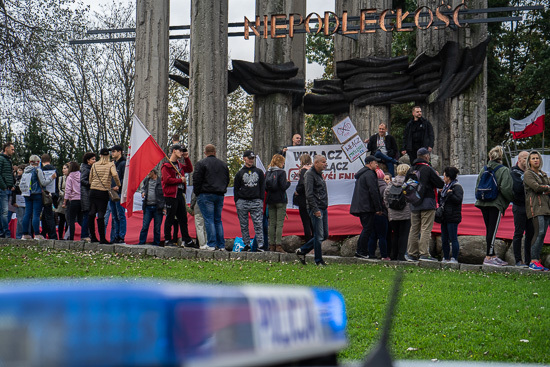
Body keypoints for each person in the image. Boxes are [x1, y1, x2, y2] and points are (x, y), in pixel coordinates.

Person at [475, 145, 513, 267]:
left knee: (489, 230)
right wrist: (511, 199)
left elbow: (477, 185)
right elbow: (506, 189)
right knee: (493, 230)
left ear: (490, 156)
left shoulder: (484, 169)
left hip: (483, 202)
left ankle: (492, 255)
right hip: (495, 203)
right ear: (500, 157)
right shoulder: (504, 170)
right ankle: (488, 256)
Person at [406, 147, 444, 262]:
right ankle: (424, 254)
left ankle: (411, 253)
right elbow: (440, 183)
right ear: (427, 157)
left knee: (414, 229)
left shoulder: (411, 169)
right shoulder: (428, 169)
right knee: (426, 228)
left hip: (413, 202)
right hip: (427, 202)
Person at [193, 144, 230, 251]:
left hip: (205, 194)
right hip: (219, 194)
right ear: (215, 152)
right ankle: (221, 245)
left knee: (209, 220)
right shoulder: (223, 165)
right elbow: (226, 179)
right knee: (218, 220)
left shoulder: (201, 164)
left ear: (205, 153)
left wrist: (198, 193)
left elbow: (196, 180)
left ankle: (211, 244)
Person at [295, 155, 329, 266]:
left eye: (326, 162)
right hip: (316, 208)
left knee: (324, 234)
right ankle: (318, 260)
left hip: (323, 207)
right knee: (319, 235)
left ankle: (302, 250)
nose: (325, 164)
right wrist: (315, 209)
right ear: (316, 163)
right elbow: (309, 194)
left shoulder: (320, 175)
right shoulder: (309, 174)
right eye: (323, 162)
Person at [161, 144, 196, 248]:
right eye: (180, 151)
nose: (181, 152)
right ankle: (167, 239)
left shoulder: (180, 166)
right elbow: (166, 180)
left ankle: (186, 239)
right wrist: (179, 180)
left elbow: (189, 169)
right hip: (171, 195)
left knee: (183, 218)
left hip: (180, 194)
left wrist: (186, 158)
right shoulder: (166, 165)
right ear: (174, 151)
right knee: (170, 218)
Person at [350, 156, 383, 259]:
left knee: (367, 229)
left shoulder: (362, 174)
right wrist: (378, 207)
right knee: (367, 229)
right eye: (375, 162)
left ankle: (363, 251)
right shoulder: (369, 174)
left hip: (361, 206)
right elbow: (373, 191)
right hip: (366, 206)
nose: (377, 164)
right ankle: (361, 251)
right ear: (369, 163)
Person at [522, 151, 550, 271]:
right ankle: (533, 260)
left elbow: (545, 185)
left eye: (537, 158)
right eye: (533, 158)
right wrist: (547, 188)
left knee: (543, 234)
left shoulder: (543, 174)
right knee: (539, 232)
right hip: (535, 207)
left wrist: (545, 187)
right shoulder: (528, 174)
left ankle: (537, 260)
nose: (535, 160)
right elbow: (536, 187)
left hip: (546, 208)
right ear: (529, 161)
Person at [233, 150, 265, 252]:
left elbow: (262, 186)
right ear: (244, 158)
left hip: (256, 201)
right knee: (244, 225)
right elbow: (236, 188)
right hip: (242, 201)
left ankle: (260, 245)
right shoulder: (239, 173)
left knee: (258, 224)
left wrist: (260, 199)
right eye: (249, 158)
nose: (251, 160)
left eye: (252, 159)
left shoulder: (259, 172)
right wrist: (237, 201)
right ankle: (246, 244)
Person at [88, 148, 120, 244]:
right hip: (103, 191)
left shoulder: (95, 165)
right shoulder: (110, 164)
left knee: (91, 213)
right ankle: (102, 238)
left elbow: (90, 178)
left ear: (100, 155)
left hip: (93, 190)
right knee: (101, 214)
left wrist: (93, 184)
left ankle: (92, 236)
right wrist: (118, 184)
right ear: (108, 155)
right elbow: (114, 174)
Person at [21, 155, 56, 240]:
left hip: (27, 194)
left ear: (29, 162)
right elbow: (43, 182)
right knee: (36, 214)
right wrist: (51, 178)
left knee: (27, 214)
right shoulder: (37, 170)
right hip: (37, 194)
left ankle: (25, 234)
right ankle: (37, 234)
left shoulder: (25, 171)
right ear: (38, 162)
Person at [510, 151, 533, 267]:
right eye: (525, 158)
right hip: (519, 206)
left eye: (528, 158)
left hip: (530, 206)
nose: (527, 160)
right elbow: (518, 188)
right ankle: (518, 260)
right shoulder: (514, 172)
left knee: (530, 234)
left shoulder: (531, 172)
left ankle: (529, 261)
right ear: (519, 159)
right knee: (518, 233)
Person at [384, 164, 411, 261]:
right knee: (404, 235)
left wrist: (389, 208)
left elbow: (385, 196)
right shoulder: (409, 183)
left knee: (395, 234)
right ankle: (401, 255)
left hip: (393, 214)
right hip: (406, 213)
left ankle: (393, 255)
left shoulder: (391, 183)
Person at [265, 153, 291, 253]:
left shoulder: (268, 172)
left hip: (270, 200)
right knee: (279, 224)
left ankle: (271, 245)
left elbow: (265, 187)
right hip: (280, 200)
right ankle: (278, 245)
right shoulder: (281, 172)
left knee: (271, 224)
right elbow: (283, 186)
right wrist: (288, 182)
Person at [438, 167, 463, 264]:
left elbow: (458, 200)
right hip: (444, 216)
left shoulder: (457, 187)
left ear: (448, 177)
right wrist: (440, 193)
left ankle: (454, 258)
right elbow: (441, 202)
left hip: (452, 216)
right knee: (444, 239)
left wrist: (451, 194)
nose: (443, 178)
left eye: (444, 176)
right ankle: (446, 256)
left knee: (453, 238)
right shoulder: (444, 188)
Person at [367, 168, 390, 260]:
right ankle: (384, 255)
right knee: (382, 236)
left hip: (371, 213)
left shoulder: (370, 185)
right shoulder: (385, 187)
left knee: (373, 235)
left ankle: (371, 254)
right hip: (382, 213)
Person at [139, 169, 165, 247]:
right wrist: (143, 192)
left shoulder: (161, 182)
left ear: (153, 173)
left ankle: (156, 243)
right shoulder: (146, 181)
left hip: (158, 207)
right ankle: (141, 242)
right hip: (148, 206)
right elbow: (143, 188)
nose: (147, 174)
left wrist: (164, 207)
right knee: (145, 226)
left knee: (157, 228)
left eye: (149, 172)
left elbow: (164, 195)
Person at [108, 145, 127, 244]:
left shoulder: (123, 164)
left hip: (119, 193)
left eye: (114, 151)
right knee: (114, 216)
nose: (112, 153)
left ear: (120, 152)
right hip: (112, 193)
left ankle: (121, 235)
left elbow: (125, 178)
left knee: (121, 215)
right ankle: (115, 235)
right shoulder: (113, 164)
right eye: (112, 151)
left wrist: (119, 186)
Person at [293, 153, 313, 242]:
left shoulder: (304, 171)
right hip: (312, 199)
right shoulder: (314, 170)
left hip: (303, 199)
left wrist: (297, 191)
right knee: (312, 222)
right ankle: (314, 242)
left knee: (306, 223)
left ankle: (308, 242)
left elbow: (302, 184)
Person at [63, 161, 82, 241]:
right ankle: (86, 234)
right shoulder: (81, 175)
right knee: (81, 219)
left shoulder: (70, 177)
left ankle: (71, 237)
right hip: (80, 199)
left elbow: (68, 190)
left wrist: (65, 201)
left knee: (71, 220)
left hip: (73, 199)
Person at [0, 142, 15, 238]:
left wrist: (11, 185)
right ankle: (6, 232)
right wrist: (4, 186)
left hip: (7, 188)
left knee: (3, 211)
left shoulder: (8, 160)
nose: (13, 151)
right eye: (12, 149)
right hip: (3, 189)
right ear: (6, 149)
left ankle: (2, 231)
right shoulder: (2, 159)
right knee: (4, 211)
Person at [80, 152, 96, 242]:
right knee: (87, 215)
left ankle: (87, 233)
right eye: (93, 159)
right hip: (86, 194)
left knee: (88, 215)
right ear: (88, 160)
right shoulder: (86, 169)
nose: (95, 161)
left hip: (88, 194)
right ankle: (84, 234)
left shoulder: (88, 168)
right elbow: (82, 180)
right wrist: (90, 183)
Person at [55, 163, 69, 240]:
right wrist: (64, 195)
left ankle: (67, 236)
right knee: (62, 219)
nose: (63, 170)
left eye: (65, 168)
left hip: (69, 199)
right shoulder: (61, 178)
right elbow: (59, 188)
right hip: (61, 200)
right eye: (63, 168)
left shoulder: (71, 178)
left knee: (68, 220)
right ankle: (60, 236)